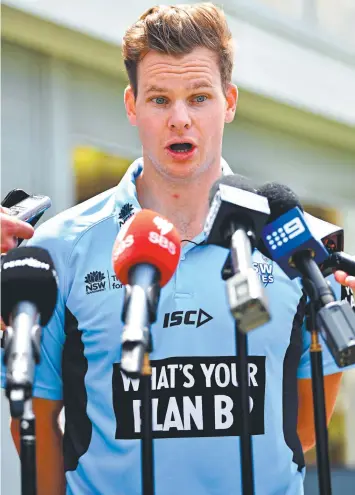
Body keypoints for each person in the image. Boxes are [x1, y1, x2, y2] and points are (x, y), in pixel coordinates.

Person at [1, 3, 355, 495]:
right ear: (132, 105)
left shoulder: (299, 245)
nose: (180, 119)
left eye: (200, 97)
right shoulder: (59, 248)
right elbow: (37, 424)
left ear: (229, 101)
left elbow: (302, 426)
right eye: (160, 100)